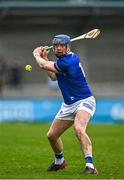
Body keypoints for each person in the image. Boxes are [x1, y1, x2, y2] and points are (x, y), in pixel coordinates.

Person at [33, 34, 98, 175]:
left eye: (62, 45)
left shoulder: (70, 61)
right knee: (51, 136)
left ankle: (90, 166)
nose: (58, 48)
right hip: (68, 105)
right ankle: (59, 162)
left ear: (68, 47)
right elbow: (52, 75)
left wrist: (36, 54)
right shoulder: (62, 62)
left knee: (79, 129)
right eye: (56, 46)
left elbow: (43, 66)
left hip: (84, 100)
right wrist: (44, 58)